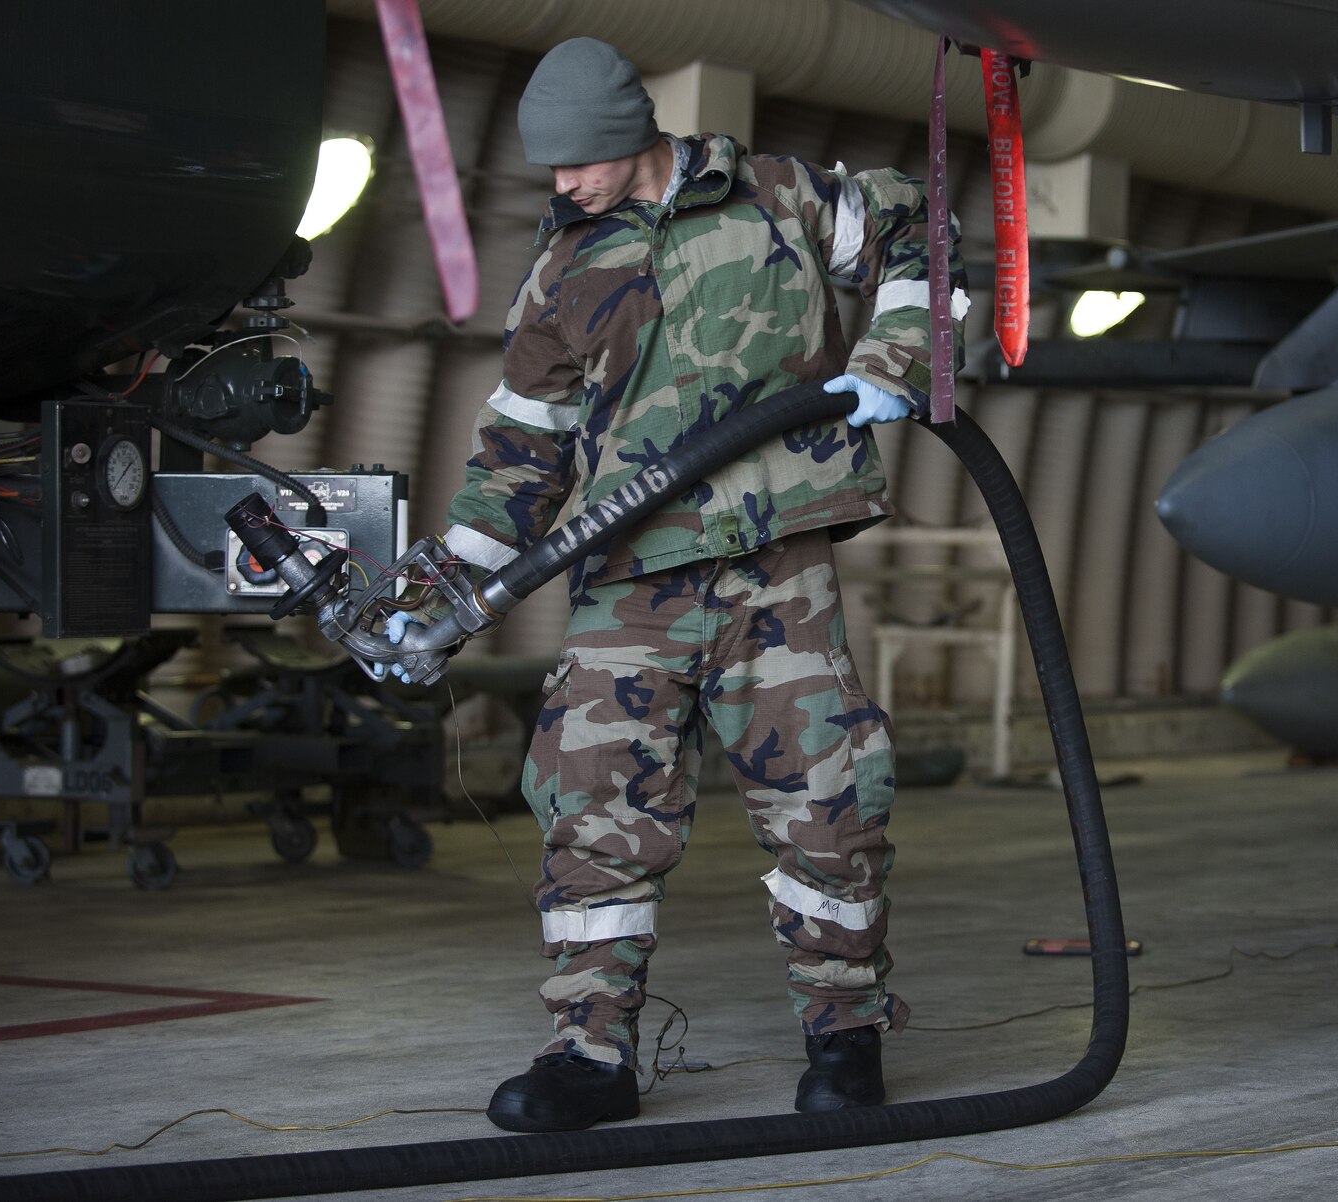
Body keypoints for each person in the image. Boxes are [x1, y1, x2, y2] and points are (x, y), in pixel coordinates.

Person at [406, 37, 964, 1133]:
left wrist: (896, 358)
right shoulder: (564, 270)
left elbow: (920, 227)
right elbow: (521, 450)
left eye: (577, 162)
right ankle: (587, 1051)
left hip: (774, 562)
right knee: (589, 802)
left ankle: (844, 1037)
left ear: (630, 137)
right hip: (629, 576)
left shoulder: (780, 197)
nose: (561, 183)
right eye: (550, 168)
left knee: (828, 801)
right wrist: (441, 590)